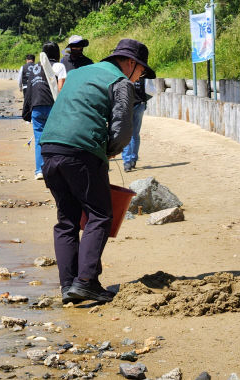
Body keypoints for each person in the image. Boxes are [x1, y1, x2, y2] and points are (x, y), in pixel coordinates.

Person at [39, 38, 155, 305]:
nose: (140, 77)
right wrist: (110, 150)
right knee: (100, 215)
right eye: (142, 72)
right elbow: (123, 128)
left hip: (49, 148)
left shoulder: (79, 73)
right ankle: (86, 282)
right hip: (81, 151)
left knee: (67, 220)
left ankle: (68, 285)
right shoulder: (120, 82)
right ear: (130, 63)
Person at [25, 43, 66, 180]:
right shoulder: (59, 67)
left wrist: (27, 111)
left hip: (36, 107)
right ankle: (55, 168)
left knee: (39, 139)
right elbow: (61, 88)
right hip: (52, 107)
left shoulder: (35, 68)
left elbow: (29, 91)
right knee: (56, 139)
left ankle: (39, 170)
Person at [122, 77, 151, 171]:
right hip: (140, 105)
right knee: (135, 134)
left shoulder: (123, 74)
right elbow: (152, 91)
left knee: (126, 133)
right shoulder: (144, 76)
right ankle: (133, 159)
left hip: (126, 106)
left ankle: (127, 162)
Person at [18, 54, 36, 122]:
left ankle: (28, 119)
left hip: (25, 87)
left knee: (26, 102)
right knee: (34, 102)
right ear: (34, 60)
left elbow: (19, 78)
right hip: (34, 86)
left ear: (27, 60)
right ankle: (33, 117)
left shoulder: (23, 67)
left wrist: (20, 86)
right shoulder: (36, 66)